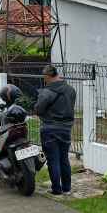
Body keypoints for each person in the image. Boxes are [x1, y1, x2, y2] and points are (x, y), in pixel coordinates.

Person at [34, 65, 77, 195]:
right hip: (66, 128)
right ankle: (67, 188)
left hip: (50, 129)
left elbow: (39, 109)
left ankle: (56, 190)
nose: (44, 80)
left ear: (47, 76)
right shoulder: (70, 90)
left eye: (44, 77)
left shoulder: (47, 92)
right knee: (64, 158)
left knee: (53, 160)